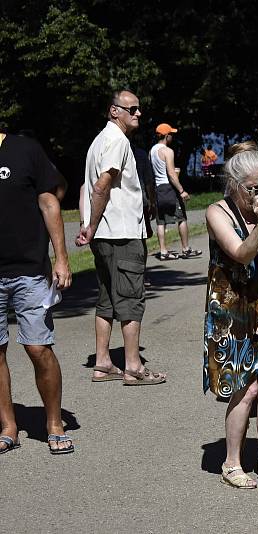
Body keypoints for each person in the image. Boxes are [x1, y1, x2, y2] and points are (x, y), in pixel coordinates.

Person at [203, 148, 258, 488]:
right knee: (244, 389)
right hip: (231, 309)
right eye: (252, 187)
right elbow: (241, 254)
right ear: (235, 185)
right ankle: (231, 463)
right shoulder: (216, 212)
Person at [77, 90, 166, 386]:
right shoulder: (116, 141)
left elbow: (85, 188)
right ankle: (133, 367)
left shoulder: (98, 142)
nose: (138, 113)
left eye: (139, 108)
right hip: (121, 233)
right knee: (130, 299)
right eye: (133, 108)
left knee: (107, 299)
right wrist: (90, 224)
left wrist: (88, 225)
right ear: (114, 111)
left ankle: (102, 363)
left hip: (105, 234)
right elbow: (101, 187)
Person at [0, 132, 74, 455]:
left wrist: (61, 258)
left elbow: (51, 199)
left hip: (29, 268)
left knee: (37, 347)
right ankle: (8, 427)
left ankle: (54, 423)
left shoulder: (24, 148)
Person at [150, 123, 202, 260]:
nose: (172, 137)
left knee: (161, 221)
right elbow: (171, 174)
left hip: (158, 189)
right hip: (169, 188)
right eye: (171, 135)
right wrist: (181, 190)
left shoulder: (152, 151)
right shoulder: (168, 151)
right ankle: (186, 249)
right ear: (167, 136)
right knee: (182, 218)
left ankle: (163, 251)